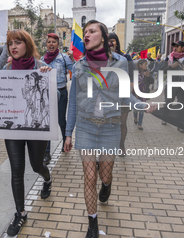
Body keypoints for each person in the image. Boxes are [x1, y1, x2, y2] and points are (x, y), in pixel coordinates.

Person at [64, 20, 156, 238]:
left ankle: (107, 185)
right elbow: (73, 103)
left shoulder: (121, 63)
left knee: (104, 176)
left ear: (103, 38)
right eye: (85, 32)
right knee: (89, 177)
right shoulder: (79, 65)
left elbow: (125, 96)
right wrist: (68, 133)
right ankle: (92, 223)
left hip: (110, 127)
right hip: (86, 126)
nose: (86, 34)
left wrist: (143, 105)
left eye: (92, 31)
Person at [1, 29, 53, 237]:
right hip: (13, 127)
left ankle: (47, 178)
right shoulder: (5, 68)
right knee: (16, 170)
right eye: (10, 43)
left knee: (36, 164)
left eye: (18, 42)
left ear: (28, 45)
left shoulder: (41, 67)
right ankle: (20, 213)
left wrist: (48, 80)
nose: (13, 47)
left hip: (35, 125)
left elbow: (52, 101)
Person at [40, 33, 73, 164]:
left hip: (62, 93)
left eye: (54, 42)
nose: (51, 44)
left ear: (58, 44)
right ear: (46, 44)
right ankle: (46, 152)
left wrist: (74, 59)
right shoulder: (42, 59)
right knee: (48, 123)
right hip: (47, 94)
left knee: (61, 121)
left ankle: (66, 144)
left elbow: (74, 71)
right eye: (49, 42)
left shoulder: (64, 58)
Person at [108, 33, 134, 157]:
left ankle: (121, 145)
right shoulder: (102, 57)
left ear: (116, 42)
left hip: (123, 96)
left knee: (122, 123)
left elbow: (131, 78)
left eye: (112, 41)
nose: (110, 44)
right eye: (107, 41)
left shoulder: (126, 57)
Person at [161, 40, 184, 133]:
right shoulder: (169, 58)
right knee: (168, 102)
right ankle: (165, 118)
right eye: (175, 46)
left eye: (178, 46)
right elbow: (162, 70)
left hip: (183, 85)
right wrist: (171, 67)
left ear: (183, 48)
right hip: (171, 83)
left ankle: (180, 124)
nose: (175, 48)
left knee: (182, 104)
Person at [133, 60, 154, 130]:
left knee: (142, 108)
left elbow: (152, 81)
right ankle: (135, 117)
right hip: (135, 93)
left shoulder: (147, 72)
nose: (146, 65)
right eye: (145, 64)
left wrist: (148, 76)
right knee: (136, 108)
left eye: (146, 64)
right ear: (140, 65)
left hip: (144, 93)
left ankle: (140, 124)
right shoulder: (135, 73)